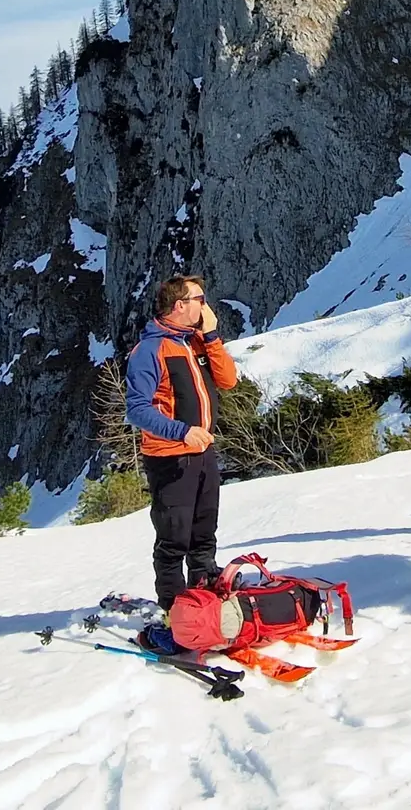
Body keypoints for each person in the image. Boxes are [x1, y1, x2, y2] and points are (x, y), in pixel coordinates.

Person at [124, 274, 239, 644]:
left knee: (204, 534)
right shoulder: (150, 350)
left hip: (203, 453)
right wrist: (181, 431)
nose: (205, 305)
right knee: (174, 540)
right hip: (171, 458)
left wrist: (212, 337)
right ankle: (175, 620)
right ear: (179, 306)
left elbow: (228, 380)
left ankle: (202, 607)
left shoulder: (192, 343)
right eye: (198, 299)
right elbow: (137, 409)